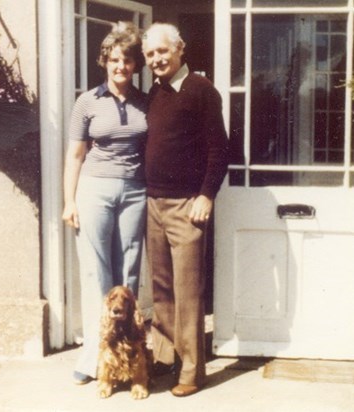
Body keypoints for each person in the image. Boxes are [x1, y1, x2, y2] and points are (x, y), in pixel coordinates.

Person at [142, 23, 229, 397]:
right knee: (162, 291)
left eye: (162, 51)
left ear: (180, 49)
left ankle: (192, 370)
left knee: (188, 291)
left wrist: (206, 195)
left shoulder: (200, 90)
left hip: (186, 206)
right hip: (154, 202)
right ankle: (166, 360)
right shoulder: (155, 93)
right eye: (149, 55)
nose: (156, 60)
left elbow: (219, 149)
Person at [62, 21, 147, 385]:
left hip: (135, 191)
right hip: (94, 188)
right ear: (105, 61)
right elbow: (75, 156)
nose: (120, 67)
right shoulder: (87, 101)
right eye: (114, 59)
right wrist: (69, 201)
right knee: (97, 272)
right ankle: (94, 356)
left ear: (135, 64)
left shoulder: (147, 102)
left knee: (128, 271)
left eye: (127, 60)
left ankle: (131, 353)